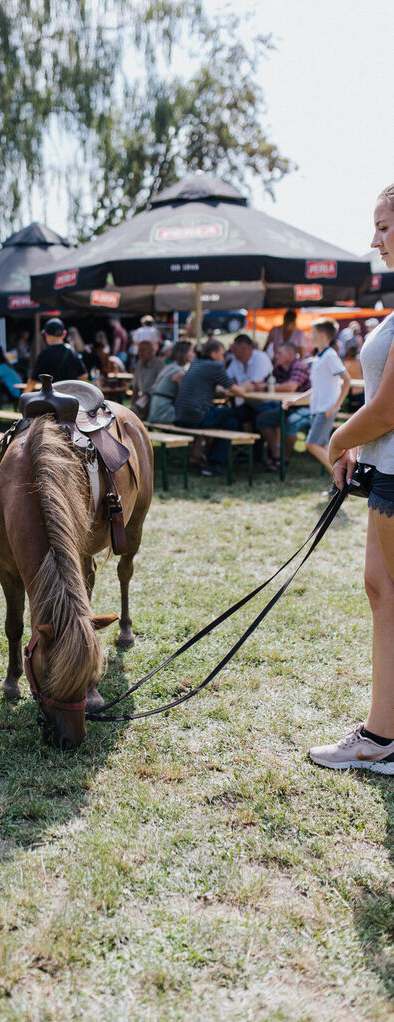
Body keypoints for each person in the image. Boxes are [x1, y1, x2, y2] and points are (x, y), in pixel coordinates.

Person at [309, 185, 394, 774]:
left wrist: (338, 439)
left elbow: (389, 406)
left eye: (385, 226)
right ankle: (382, 733)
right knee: (381, 592)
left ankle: (380, 737)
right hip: (385, 469)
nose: (374, 240)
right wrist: (357, 445)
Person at [174, 339, 247, 475]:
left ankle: (214, 462)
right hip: (196, 417)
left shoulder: (196, 364)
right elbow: (235, 390)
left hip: (181, 416)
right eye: (222, 354)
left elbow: (209, 385)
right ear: (213, 354)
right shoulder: (215, 367)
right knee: (238, 415)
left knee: (230, 421)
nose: (223, 358)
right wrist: (250, 390)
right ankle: (217, 461)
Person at [255, 342, 311, 470]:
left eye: (279, 353)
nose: (276, 356)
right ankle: (276, 454)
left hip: (306, 408)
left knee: (291, 422)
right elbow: (263, 383)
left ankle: (284, 460)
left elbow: (291, 387)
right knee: (262, 419)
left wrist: (266, 387)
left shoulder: (299, 366)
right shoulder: (278, 368)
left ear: (291, 355)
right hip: (287, 407)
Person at [304, 318, 350, 473]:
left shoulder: (330, 355)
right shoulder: (320, 356)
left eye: (313, 334)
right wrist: (295, 400)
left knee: (312, 444)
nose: (310, 337)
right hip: (318, 409)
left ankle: (341, 478)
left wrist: (336, 406)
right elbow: (317, 388)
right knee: (322, 446)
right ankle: (339, 482)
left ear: (323, 335)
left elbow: (346, 380)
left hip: (326, 409)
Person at [226, 334, 274, 430]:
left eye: (235, 348)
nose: (232, 351)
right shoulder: (236, 360)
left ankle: (257, 444)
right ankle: (242, 443)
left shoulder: (261, 358)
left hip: (266, 403)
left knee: (258, 416)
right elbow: (226, 380)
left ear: (243, 348)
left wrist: (234, 387)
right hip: (247, 403)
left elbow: (253, 385)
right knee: (229, 416)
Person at [25, 318, 88, 389]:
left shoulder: (44, 354)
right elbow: (84, 375)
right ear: (64, 334)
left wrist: (23, 396)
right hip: (70, 396)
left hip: (51, 398)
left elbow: (33, 381)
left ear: (46, 335)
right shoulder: (72, 351)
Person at [147, 341, 194, 424]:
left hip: (155, 408)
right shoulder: (180, 372)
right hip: (163, 411)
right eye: (191, 351)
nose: (194, 354)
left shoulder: (171, 367)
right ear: (184, 353)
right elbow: (184, 396)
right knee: (193, 418)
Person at [130, 339, 165, 418]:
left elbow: (161, 388)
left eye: (143, 351)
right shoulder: (140, 364)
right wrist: (132, 407)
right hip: (144, 400)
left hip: (156, 400)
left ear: (151, 351)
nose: (140, 354)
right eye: (139, 351)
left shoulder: (159, 364)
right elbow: (135, 388)